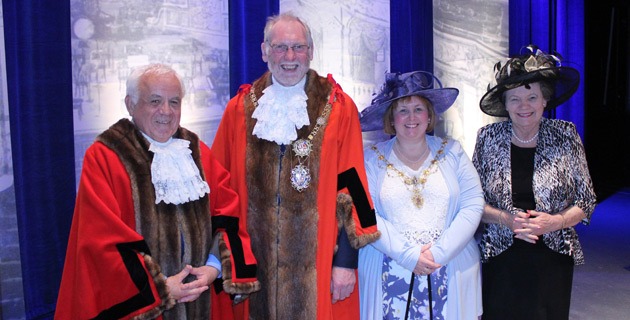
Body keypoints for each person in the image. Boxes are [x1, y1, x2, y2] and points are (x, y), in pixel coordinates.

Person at [55, 63, 260, 320]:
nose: (166, 111)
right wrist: (162, 288)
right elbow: (100, 241)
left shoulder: (196, 150)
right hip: (146, 310)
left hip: (202, 300)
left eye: (174, 102)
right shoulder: (105, 157)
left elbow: (228, 214)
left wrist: (213, 268)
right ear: (130, 104)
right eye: (155, 101)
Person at [211, 12, 380, 320]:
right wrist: (230, 262)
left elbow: (353, 188)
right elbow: (221, 194)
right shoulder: (238, 110)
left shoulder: (338, 108)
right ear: (264, 51)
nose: (290, 57)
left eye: (298, 47)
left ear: (311, 52)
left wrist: (345, 262)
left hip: (318, 267)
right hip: (254, 265)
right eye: (280, 47)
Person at [472, 45, 597, 320]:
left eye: (532, 97)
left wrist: (554, 222)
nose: (524, 106)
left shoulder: (565, 135)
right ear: (504, 105)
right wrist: (506, 219)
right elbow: (472, 202)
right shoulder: (487, 138)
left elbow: (586, 201)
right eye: (514, 99)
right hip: (501, 253)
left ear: (544, 101)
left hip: (553, 253)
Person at [358, 71, 485, 319]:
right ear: (391, 119)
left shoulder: (453, 151)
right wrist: (408, 255)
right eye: (402, 110)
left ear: (429, 116)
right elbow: (365, 212)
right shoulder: (370, 158)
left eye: (418, 109)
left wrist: (438, 254)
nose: (411, 117)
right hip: (388, 267)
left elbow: (473, 203)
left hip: (450, 265)